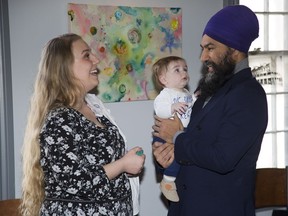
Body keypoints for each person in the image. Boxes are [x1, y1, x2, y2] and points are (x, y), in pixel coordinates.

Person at [152, 5, 268, 216]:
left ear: (234, 49)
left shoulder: (249, 95)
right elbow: (192, 144)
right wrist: (165, 158)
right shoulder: (209, 88)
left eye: (210, 48)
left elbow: (222, 158)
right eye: (202, 48)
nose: (203, 57)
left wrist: (176, 137)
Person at [21, 33, 145, 216]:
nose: (96, 60)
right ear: (65, 67)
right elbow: (73, 181)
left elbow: (100, 166)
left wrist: (126, 166)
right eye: (86, 55)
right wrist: (122, 165)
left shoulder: (95, 109)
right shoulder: (59, 119)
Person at [152, 56, 195, 202]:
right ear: (164, 79)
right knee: (172, 158)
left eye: (185, 69)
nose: (183, 72)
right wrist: (171, 108)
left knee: (181, 156)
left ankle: (171, 180)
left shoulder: (187, 94)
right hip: (165, 135)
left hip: (183, 132)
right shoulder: (166, 94)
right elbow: (159, 110)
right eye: (177, 70)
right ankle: (168, 181)